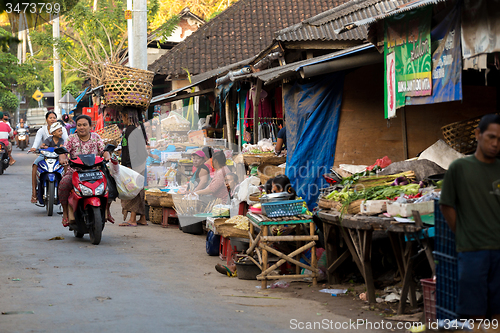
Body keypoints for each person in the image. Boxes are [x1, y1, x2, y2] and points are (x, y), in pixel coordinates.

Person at [440, 114, 500, 325]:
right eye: (490, 137)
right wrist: (463, 232)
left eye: (499, 139)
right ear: (477, 135)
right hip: (472, 250)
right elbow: (446, 205)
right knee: (474, 312)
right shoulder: (460, 168)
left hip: (498, 249)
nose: (495, 144)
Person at [58, 115, 110, 227]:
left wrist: (107, 156)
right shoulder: (71, 138)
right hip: (75, 172)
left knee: (110, 184)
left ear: (90, 126)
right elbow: (64, 151)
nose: (82, 127)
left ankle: (107, 211)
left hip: (95, 172)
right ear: (76, 126)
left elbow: (103, 150)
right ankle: (66, 213)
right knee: (63, 184)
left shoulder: (96, 137)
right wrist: (62, 158)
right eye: (79, 125)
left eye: (84, 125)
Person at [29, 111, 69, 203]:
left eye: (54, 117)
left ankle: (67, 188)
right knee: (35, 164)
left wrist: (65, 148)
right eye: (50, 118)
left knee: (67, 165)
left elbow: (67, 142)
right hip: (45, 155)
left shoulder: (61, 130)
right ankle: (34, 192)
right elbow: (37, 142)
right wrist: (34, 148)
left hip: (59, 155)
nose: (52, 119)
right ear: (46, 119)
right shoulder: (41, 130)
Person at [119, 109, 148, 227]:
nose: (122, 119)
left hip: (133, 164)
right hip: (141, 162)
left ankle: (132, 219)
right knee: (139, 190)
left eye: (123, 116)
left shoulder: (130, 130)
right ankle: (143, 218)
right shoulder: (140, 128)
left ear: (128, 116)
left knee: (132, 190)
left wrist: (128, 165)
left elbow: (130, 149)